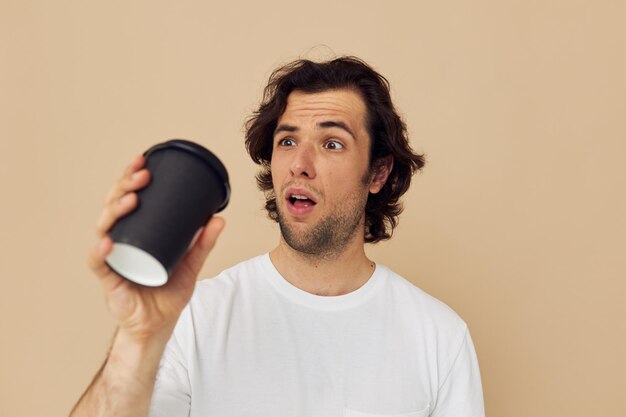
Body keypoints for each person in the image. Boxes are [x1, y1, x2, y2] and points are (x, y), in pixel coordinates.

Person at [70, 56, 485, 417]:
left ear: (378, 172)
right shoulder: (195, 318)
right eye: (287, 141)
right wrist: (137, 338)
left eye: (332, 143)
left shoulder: (438, 337)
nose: (299, 164)